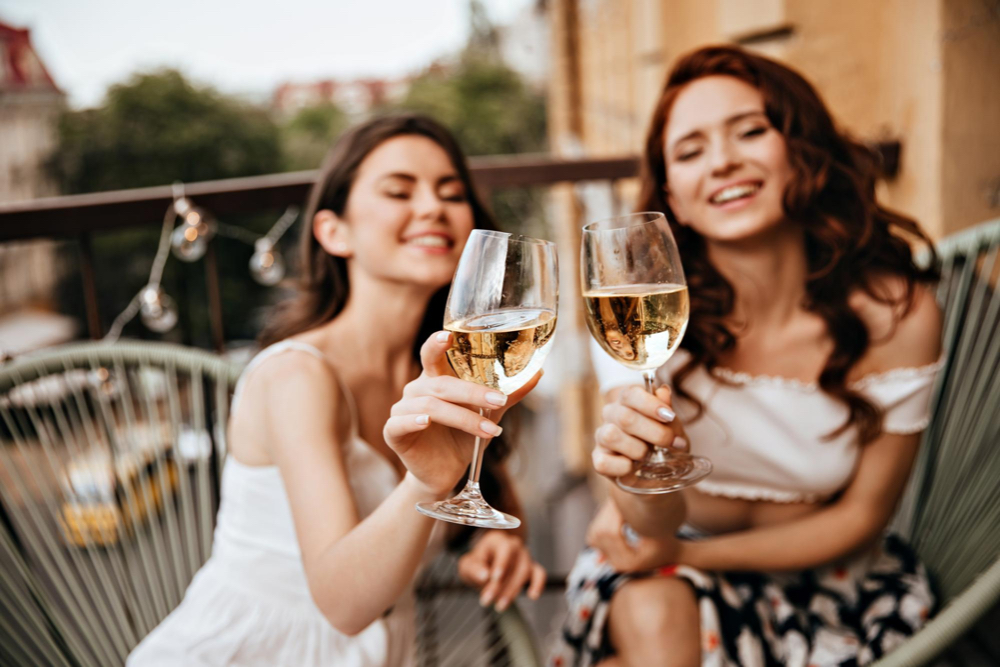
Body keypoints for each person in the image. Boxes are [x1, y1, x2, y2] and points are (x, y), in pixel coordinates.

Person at [550, 46, 942, 667]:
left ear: (802, 149)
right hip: (658, 563)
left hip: (832, 583)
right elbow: (648, 524)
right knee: (654, 610)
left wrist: (691, 556)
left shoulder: (894, 314)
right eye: (690, 151)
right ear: (673, 197)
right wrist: (633, 477)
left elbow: (862, 517)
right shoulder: (642, 308)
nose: (723, 162)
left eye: (750, 131)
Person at [128, 115, 546, 667]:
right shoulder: (297, 377)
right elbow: (344, 604)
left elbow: (484, 493)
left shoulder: (459, 368)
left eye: (452, 192)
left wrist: (488, 541)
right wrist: (424, 483)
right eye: (399, 191)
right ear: (333, 232)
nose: (432, 208)